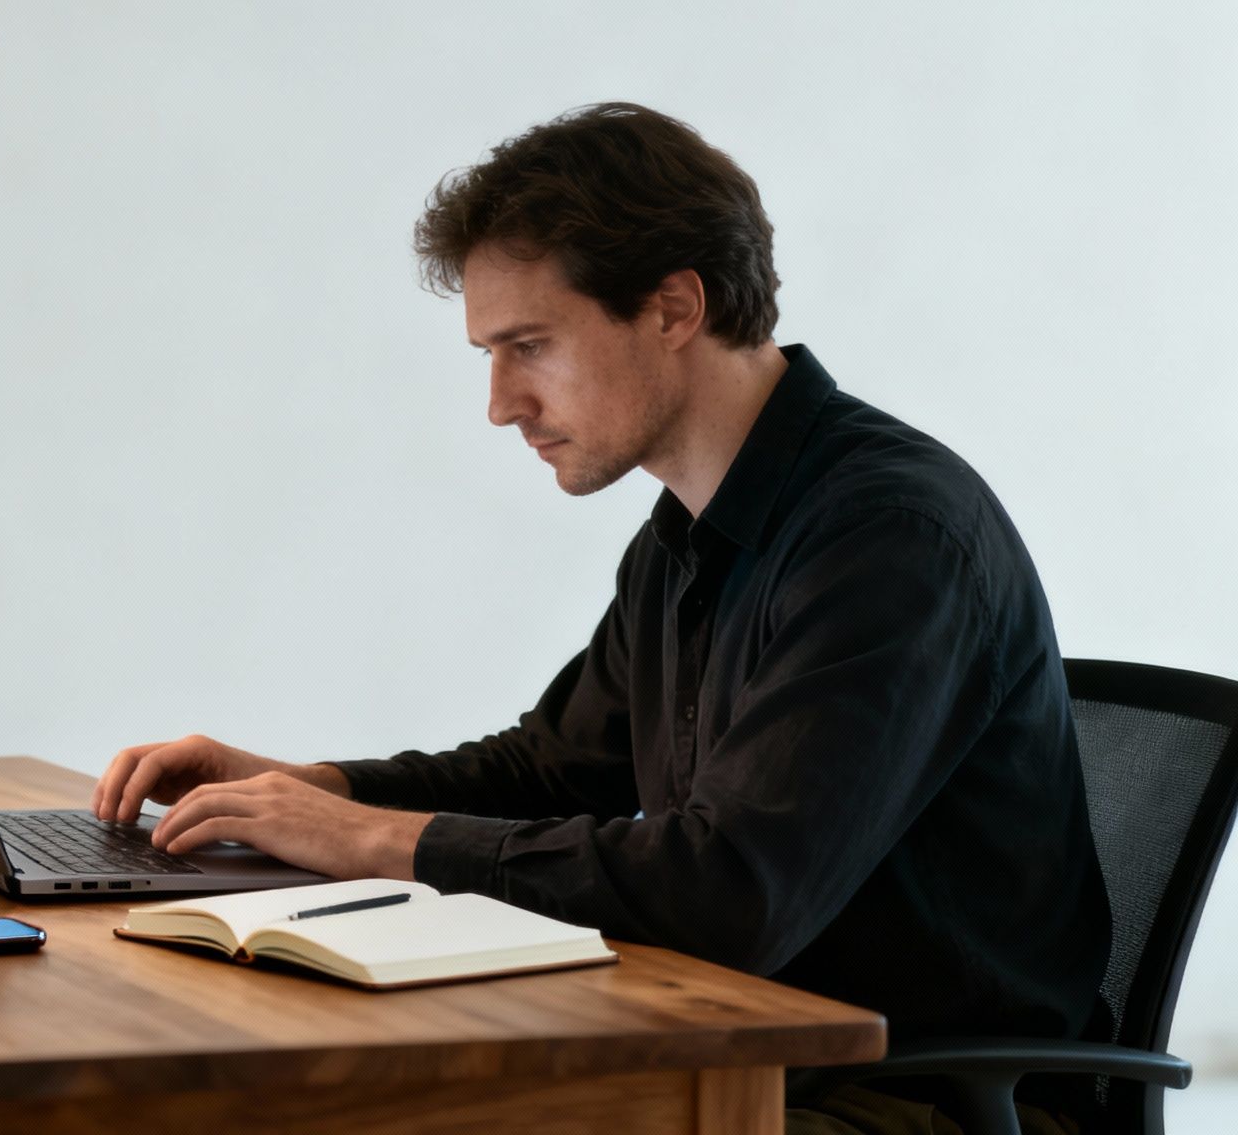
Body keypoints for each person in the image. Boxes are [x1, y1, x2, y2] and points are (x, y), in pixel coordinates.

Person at [89, 103, 1110, 1134]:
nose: (498, 402)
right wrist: (312, 791)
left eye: (527, 345)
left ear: (671, 306)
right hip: (744, 1060)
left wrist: (365, 839)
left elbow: (726, 895)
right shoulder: (685, 531)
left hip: (910, 1102)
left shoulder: (887, 537)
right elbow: (549, 765)